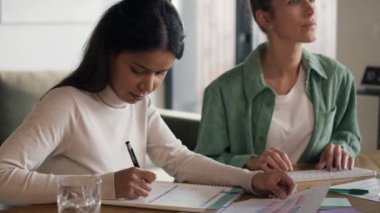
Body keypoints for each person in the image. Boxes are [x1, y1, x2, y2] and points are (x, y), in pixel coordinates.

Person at [0, 0, 294, 205]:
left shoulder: (138, 104)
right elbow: (2, 178)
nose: (149, 86)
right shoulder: (65, 105)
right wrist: (105, 186)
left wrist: (251, 179)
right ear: (109, 53)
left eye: (161, 73)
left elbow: (179, 159)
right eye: (138, 70)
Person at [195, 0, 361, 172]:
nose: (311, 10)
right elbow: (205, 162)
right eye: (294, 1)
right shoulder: (221, 92)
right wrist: (250, 162)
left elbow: (348, 133)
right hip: (251, 198)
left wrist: (340, 147)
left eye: (312, 0)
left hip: (321, 195)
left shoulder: (337, 78)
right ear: (265, 18)